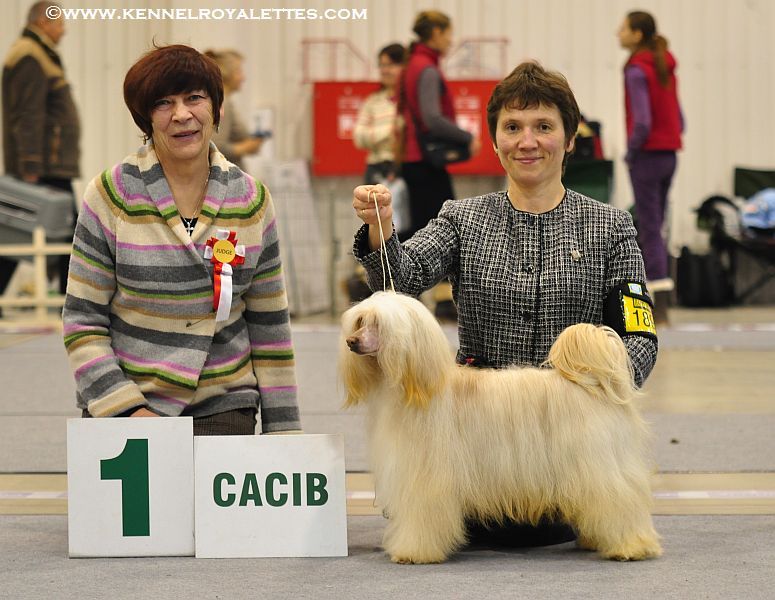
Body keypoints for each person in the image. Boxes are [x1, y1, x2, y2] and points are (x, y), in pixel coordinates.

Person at [351, 61, 658, 546]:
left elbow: (639, 335)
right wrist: (380, 228)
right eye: (512, 127)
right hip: (472, 459)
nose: (527, 141)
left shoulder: (611, 226)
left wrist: (603, 384)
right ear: (495, 141)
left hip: (572, 458)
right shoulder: (461, 218)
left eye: (544, 127)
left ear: (570, 139)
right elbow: (401, 281)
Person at [62, 44, 301, 436]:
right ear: (145, 117)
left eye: (194, 98)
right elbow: (82, 321)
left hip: (223, 401)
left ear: (216, 108)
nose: (181, 114)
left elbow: (270, 326)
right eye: (163, 103)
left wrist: (285, 434)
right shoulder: (111, 194)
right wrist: (127, 409)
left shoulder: (251, 199)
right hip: (124, 400)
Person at [399, 10, 480, 318]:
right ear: (435, 32)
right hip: (425, 162)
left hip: (414, 159)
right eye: (447, 33)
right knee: (447, 229)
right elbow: (432, 118)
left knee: (421, 228)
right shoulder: (426, 68)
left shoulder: (412, 64)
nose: (450, 39)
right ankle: (439, 301)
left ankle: (408, 297)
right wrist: (466, 137)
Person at [1, 1, 80, 298]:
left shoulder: (38, 54)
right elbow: (28, 115)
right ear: (43, 22)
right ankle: (72, 302)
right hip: (44, 167)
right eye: (59, 23)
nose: (64, 30)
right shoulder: (30, 56)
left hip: (48, 165)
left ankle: (70, 300)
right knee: (68, 234)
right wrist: (31, 166)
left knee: (15, 236)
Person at [618, 11, 684, 321]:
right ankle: (665, 296)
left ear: (637, 34)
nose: (618, 33)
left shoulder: (636, 70)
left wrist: (631, 153)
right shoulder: (664, 65)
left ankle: (657, 305)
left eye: (623, 28)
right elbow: (680, 118)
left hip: (647, 155)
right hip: (669, 154)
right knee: (659, 225)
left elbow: (642, 121)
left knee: (649, 227)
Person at [205, 49, 264, 171]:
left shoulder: (223, 101)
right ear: (227, 74)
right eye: (239, 71)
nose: (243, 77)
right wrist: (247, 147)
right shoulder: (223, 103)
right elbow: (215, 146)